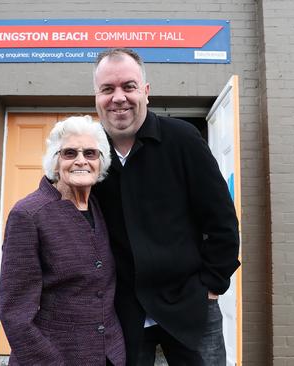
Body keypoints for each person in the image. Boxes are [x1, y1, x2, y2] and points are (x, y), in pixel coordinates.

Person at [91, 48, 241, 366]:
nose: (119, 97)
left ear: (145, 91)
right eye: (108, 89)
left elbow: (221, 221)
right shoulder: (90, 152)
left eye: (128, 86)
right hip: (122, 312)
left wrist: (212, 284)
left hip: (190, 304)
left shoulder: (182, 139)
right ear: (97, 96)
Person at [0, 115, 125, 366]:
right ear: (55, 162)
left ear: (101, 162)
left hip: (109, 354)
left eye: (90, 153)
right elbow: (15, 313)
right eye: (69, 153)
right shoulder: (29, 214)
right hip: (52, 358)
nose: (81, 161)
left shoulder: (101, 208)